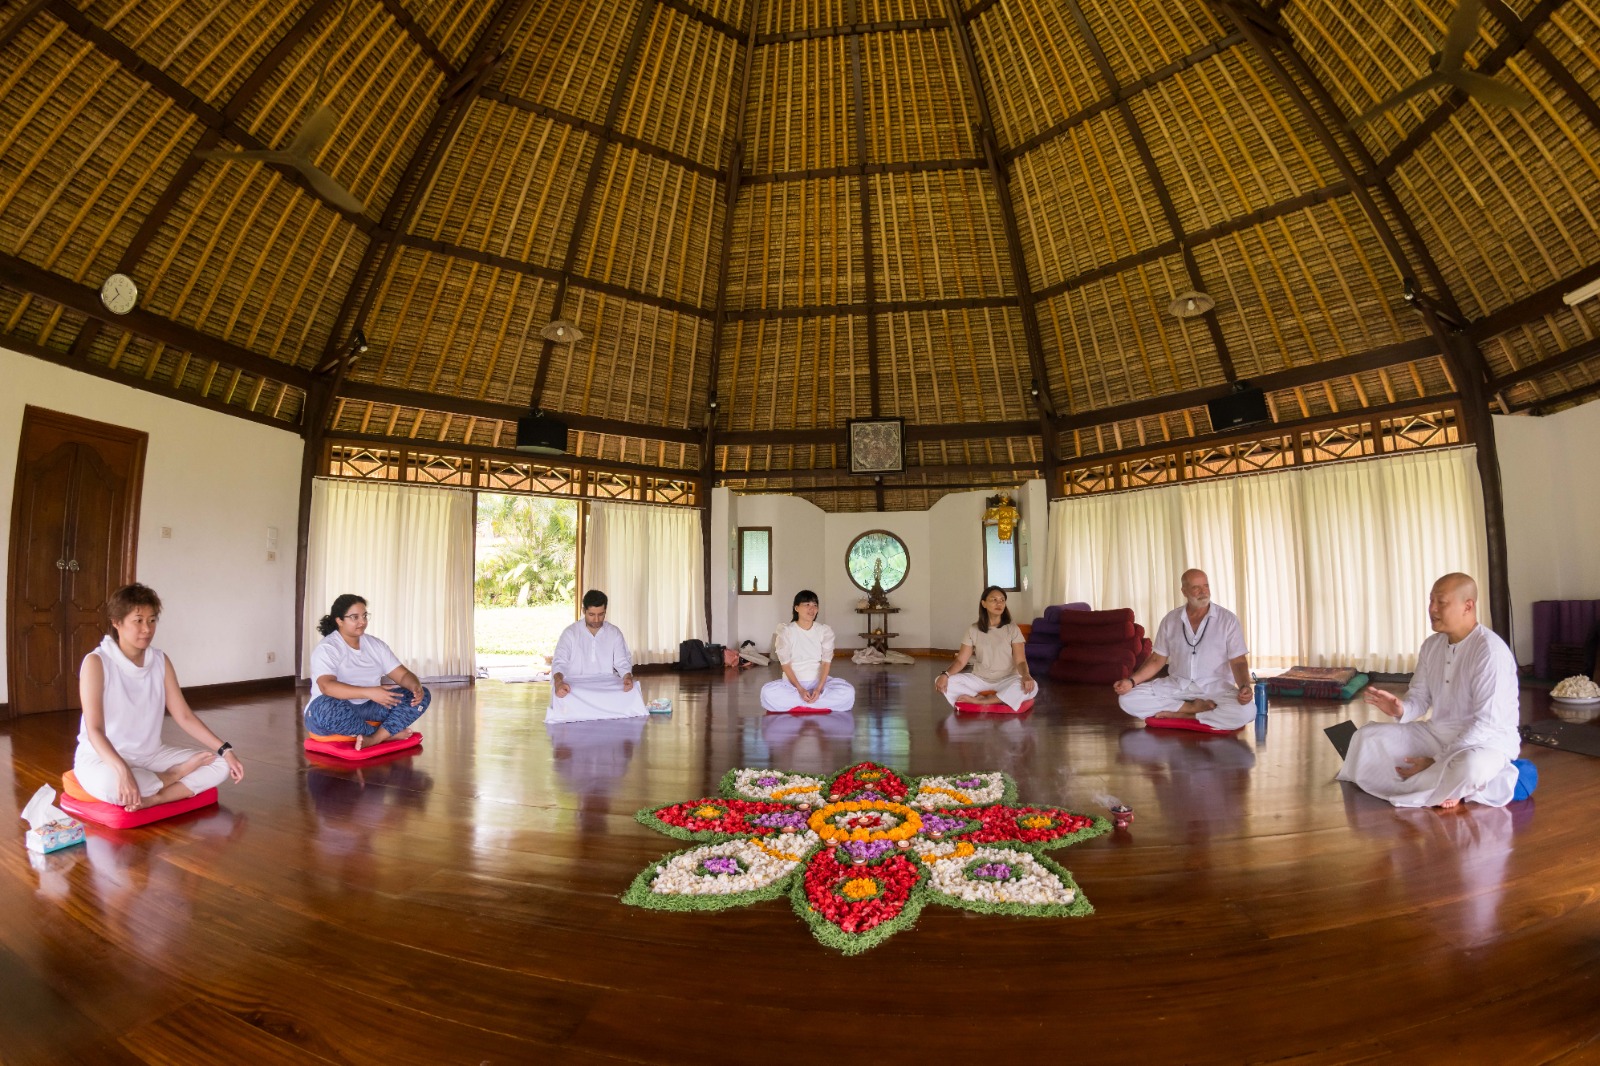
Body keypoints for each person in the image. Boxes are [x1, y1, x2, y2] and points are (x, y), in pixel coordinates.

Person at [1338, 573, 1522, 808]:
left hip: (1484, 743)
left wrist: (1436, 761)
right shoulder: (1432, 645)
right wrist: (1401, 708)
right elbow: (1420, 698)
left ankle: (1447, 783)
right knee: (1367, 737)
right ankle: (1444, 787)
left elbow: (1487, 724)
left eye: (1441, 602)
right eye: (1430, 601)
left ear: (1468, 606)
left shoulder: (1490, 652)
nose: (1432, 608)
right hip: (1437, 734)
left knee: (1471, 767)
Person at [74, 583, 244, 811]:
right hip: (102, 757)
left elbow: (183, 715)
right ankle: (172, 776)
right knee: (114, 786)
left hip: (150, 754)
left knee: (220, 766)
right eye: (138, 621)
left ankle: (155, 798)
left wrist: (226, 749)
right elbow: (94, 729)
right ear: (116, 622)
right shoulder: (97, 663)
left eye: (152, 620)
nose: (147, 629)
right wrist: (122, 771)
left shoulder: (160, 660)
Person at [1113, 569, 1254, 731]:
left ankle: (1183, 714)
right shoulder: (1170, 620)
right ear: (1184, 591)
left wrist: (1245, 686)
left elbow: (1238, 661)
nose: (1203, 592)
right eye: (1196, 587)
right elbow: (1157, 659)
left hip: (1215, 688)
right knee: (1127, 699)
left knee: (1247, 712)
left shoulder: (1228, 620)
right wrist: (1131, 682)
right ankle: (1192, 708)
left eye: (1206, 586)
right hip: (1177, 686)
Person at [305, 594, 430, 749]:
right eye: (354, 617)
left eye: (364, 615)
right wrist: (369, 692)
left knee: (422, 694)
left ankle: (376, 738)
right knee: (324, 707)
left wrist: (415, 686)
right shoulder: (327, 648)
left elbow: (403, 675)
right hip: (334, 708)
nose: (362, 622)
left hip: (369, 707)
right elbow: (326, 687)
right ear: (339, 620)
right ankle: (386, 734)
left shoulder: (375, 645)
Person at [548, 589, 647, 724]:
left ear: (606, 611)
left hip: (605, 682)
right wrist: (559, 682)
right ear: (584, 611)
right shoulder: (570, 633)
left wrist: (627, 677)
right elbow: (559, 662)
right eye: (591, 615)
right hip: (576, 683)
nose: (596, 620)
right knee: (563, 695)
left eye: (601, 615)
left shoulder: (614, 632)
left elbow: (622, 661)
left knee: (632, 691)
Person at [936, 586, 1037, 711]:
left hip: (1007, 679)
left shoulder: (1012, 629)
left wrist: (1026, 675)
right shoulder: (973, 629)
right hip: (980, 679)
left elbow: (1020, 660)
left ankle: (984, 701)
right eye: (993, 599)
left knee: (1032, 687)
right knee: (942, 680)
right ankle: (987, 698)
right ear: (983, 604)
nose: (999, 603)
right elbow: (961, 661)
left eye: (1002, 600)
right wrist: (945, 674)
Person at [761, 589, 855, 714]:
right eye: (807, 605)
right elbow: (785, 665)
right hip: (792, 685)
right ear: (796, 608)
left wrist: (819, 689)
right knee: (767, 693)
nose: (812, 609)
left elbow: (826, 663)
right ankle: (816, 704)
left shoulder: (823, 631)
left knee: (848, 692)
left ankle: (803, 703)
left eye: (815, 605)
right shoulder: (787, 632)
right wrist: (800, 689)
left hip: (818, 682)